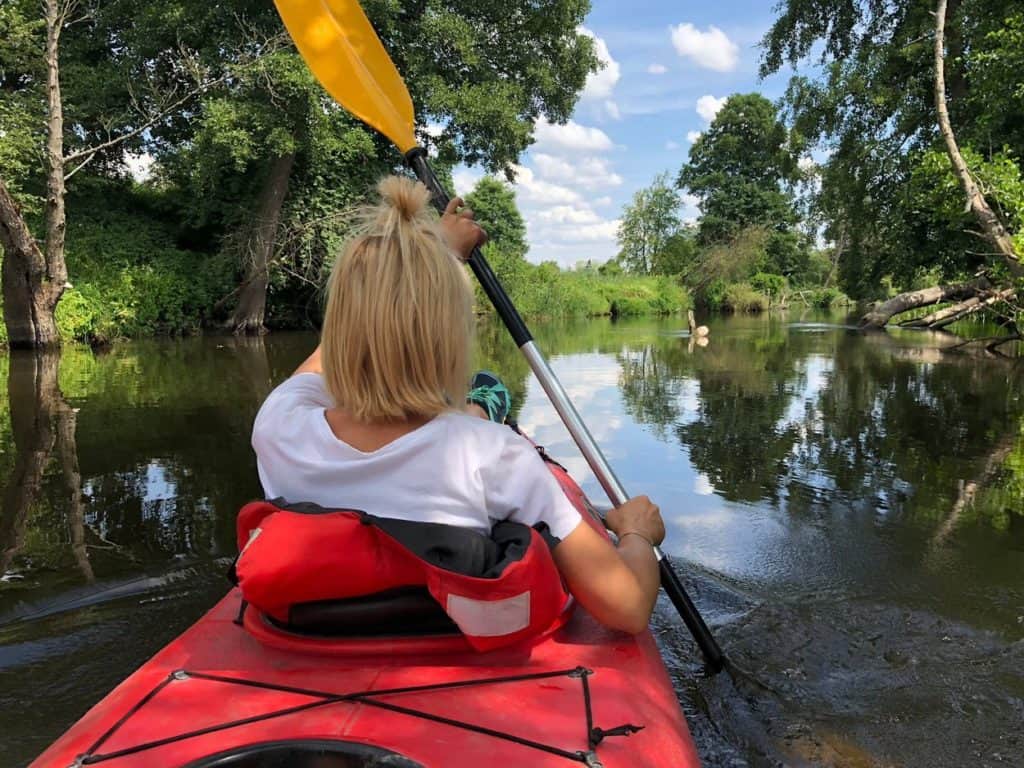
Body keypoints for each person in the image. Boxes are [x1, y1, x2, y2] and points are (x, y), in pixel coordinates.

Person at [252, 176, 666, 635]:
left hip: (309, 640)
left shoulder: (279, 427)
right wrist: (636, 534)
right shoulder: (497, 456)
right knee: (476, 413)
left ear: (342, 324)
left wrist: (410, 269)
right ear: (452, 338)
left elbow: (317, 368)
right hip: (454, 646)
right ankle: (478, 406)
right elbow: (627, 609)